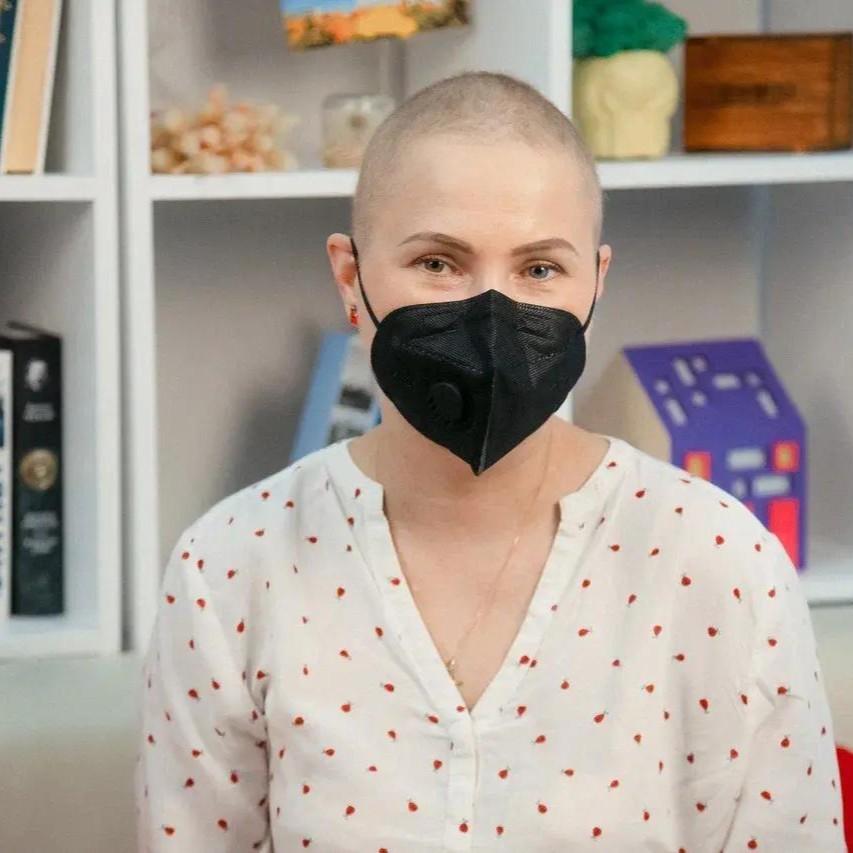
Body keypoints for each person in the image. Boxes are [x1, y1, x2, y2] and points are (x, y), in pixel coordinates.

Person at [135, 71, 846, 851]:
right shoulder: (230, 566)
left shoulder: (719, 562)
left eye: (539, 269)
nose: (489, 315)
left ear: (595, 283)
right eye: (438, 262)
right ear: (350, 277)